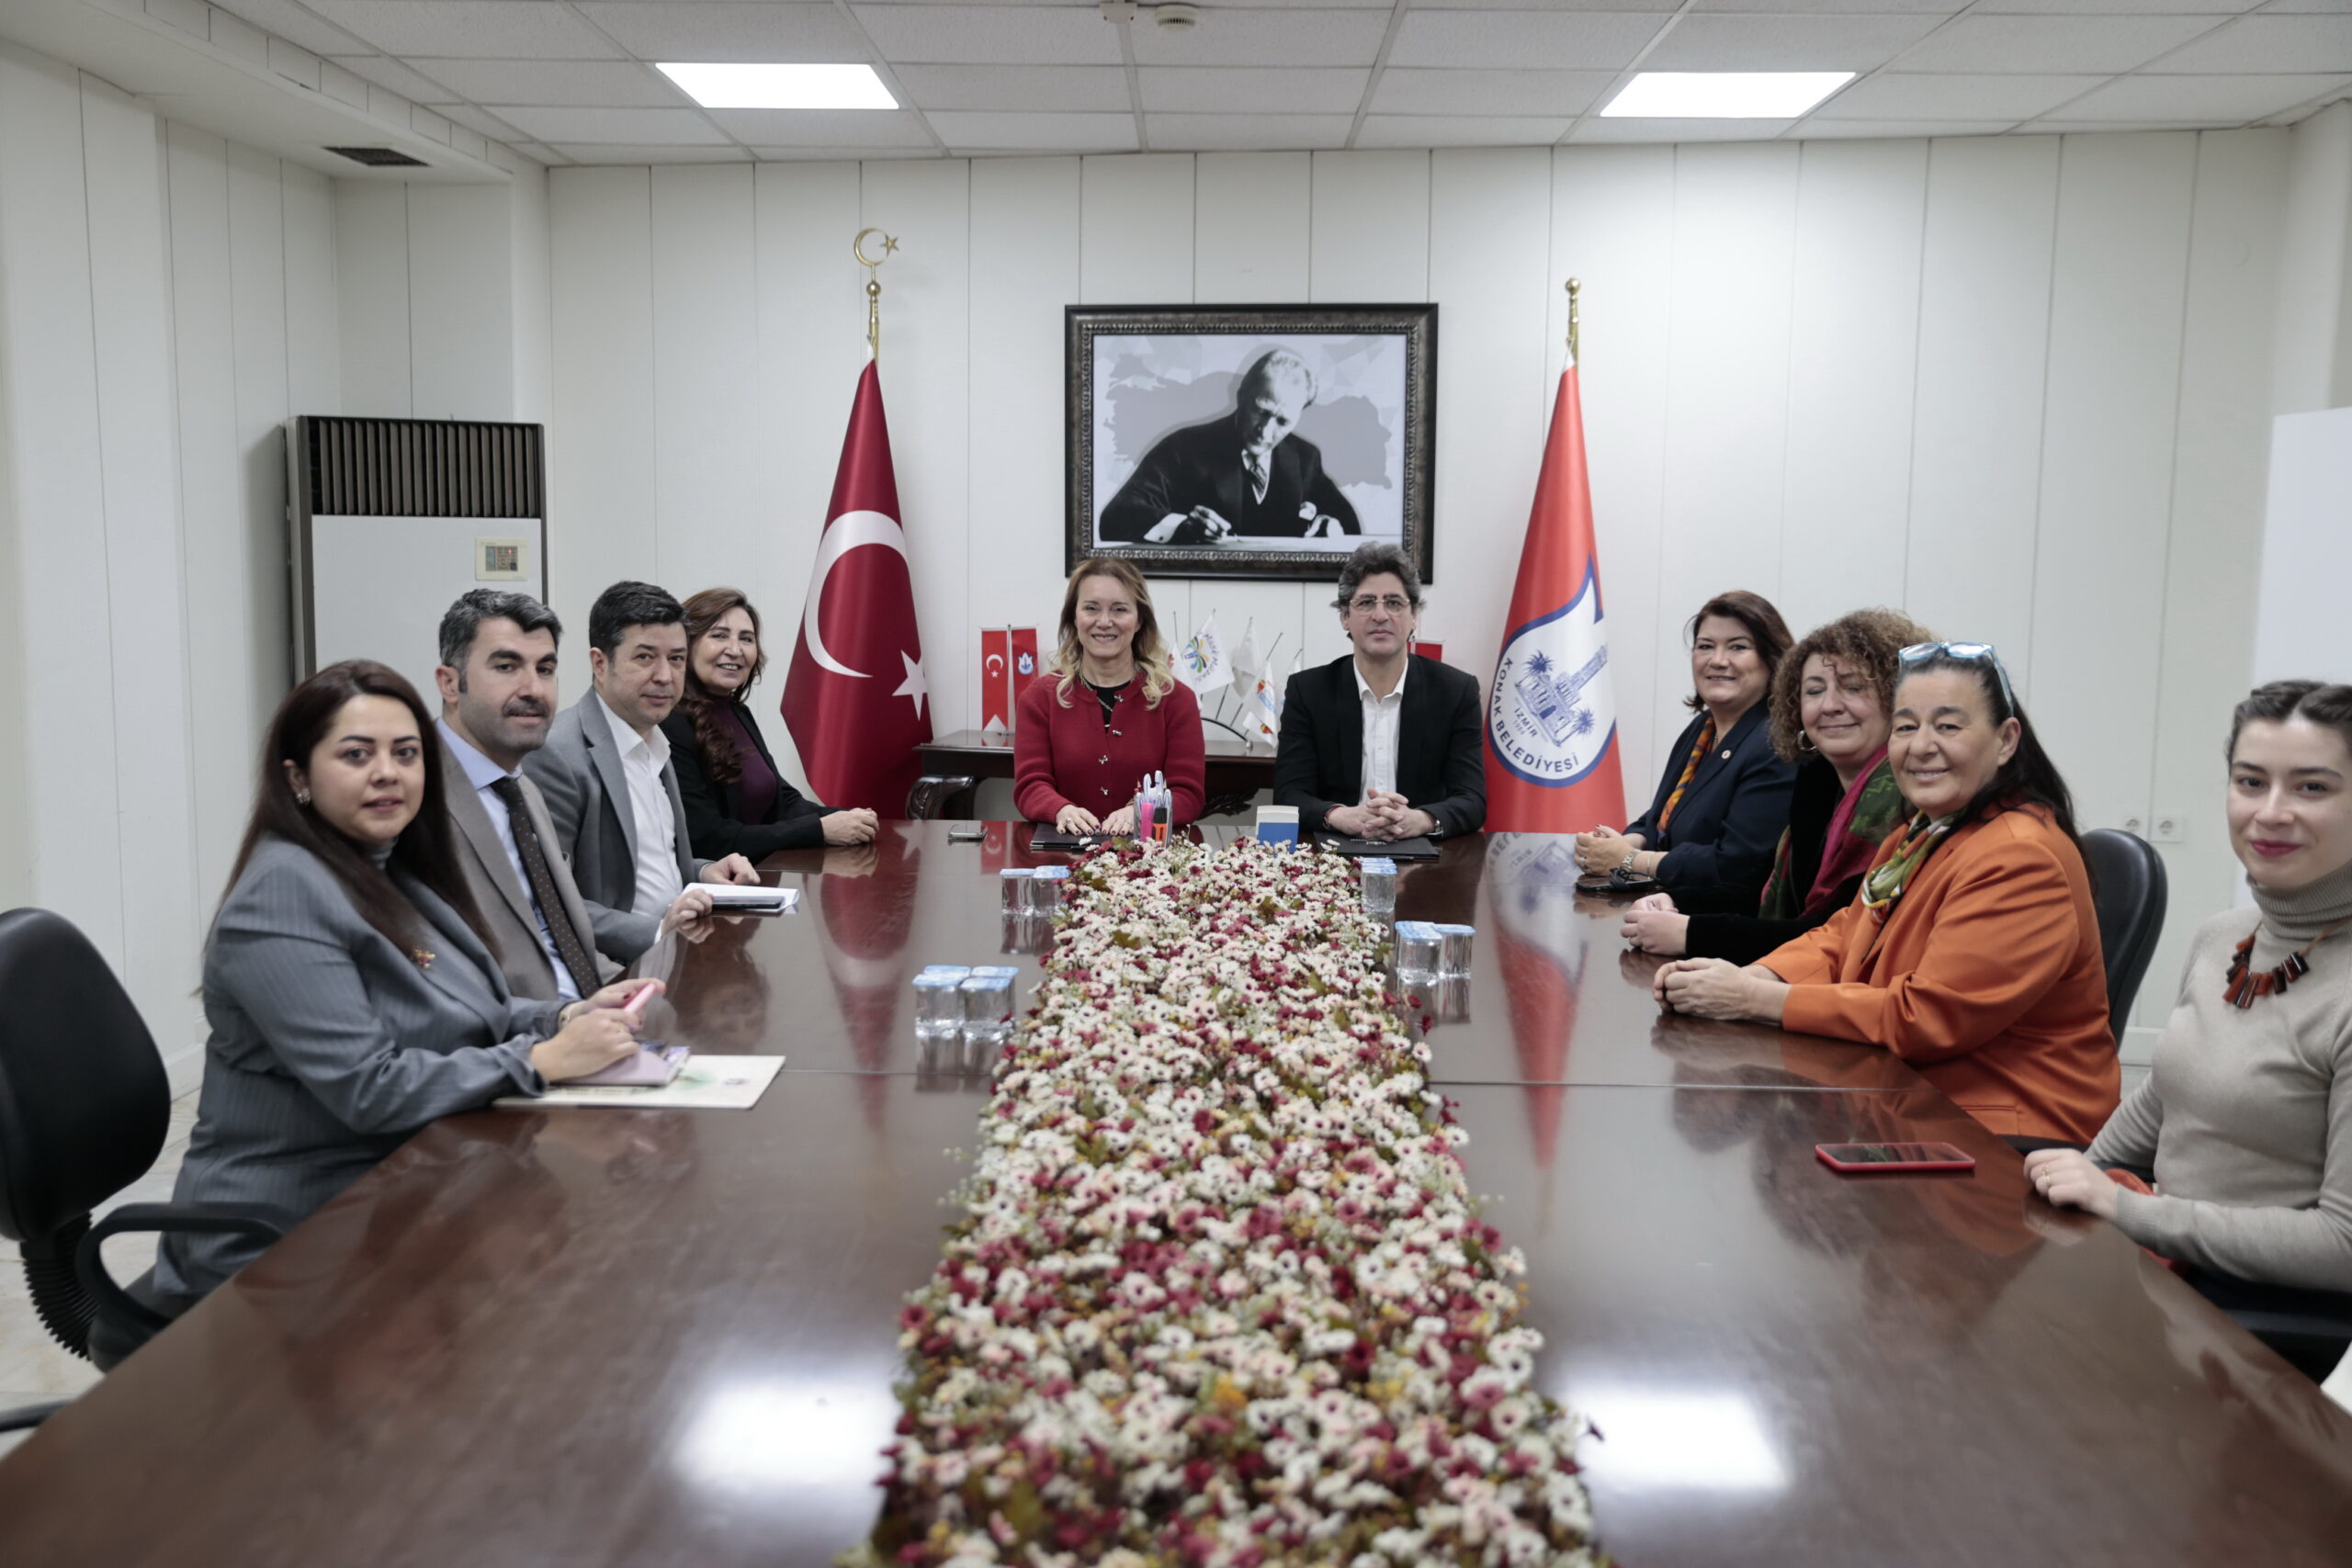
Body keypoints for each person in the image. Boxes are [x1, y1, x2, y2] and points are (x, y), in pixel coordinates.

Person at [151, 660, 658, 1305]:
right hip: (286, 1233)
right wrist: (542, 1060)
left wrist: (562, 1016)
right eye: (357, 754)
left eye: (407, 753)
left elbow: (478, 1008)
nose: (388, 772)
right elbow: (370, 1088)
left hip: (398, 1182)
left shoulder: (393, 869)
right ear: (297, 776)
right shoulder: (281, 893)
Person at [1653, 641, 2120, 1148]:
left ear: (2006, 741)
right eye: (1906, 726)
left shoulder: (2019, 857)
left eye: (1948, 726)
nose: (1920, 746)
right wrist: (1751, 976)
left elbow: (1927, 1018)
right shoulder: (1921, 831)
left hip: (2001, 1129)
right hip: (1910, 1094)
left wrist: (1755, 999)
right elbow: (1841, 934)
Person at [2028, 682, 2352, 1374]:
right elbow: (2166, 1092)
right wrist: (2080, 1174)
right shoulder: (2224, 936)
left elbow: (2342, 1243)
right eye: (2250, 781)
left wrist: (2126, 1209)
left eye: (2313, 787)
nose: (2271, 812)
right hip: (2166, 1271)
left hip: (2254, 1321)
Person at [434, 589, 717, 1004]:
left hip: (603, 995)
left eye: (545, 668)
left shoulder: (517, 787)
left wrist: (623, 992)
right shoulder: (414, 794)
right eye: (507, 666)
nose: (533, 688)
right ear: (449, 683)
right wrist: (570, 1017)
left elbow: (556, 926)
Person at [1622, 608, 1928, 964]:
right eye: (1814, 691)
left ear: (1897, 698)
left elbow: (1843, 934)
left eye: (1853, 687)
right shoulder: (1818, 778)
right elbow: (1759, 886)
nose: (1829, 706)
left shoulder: (1909, 795)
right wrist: (1676, 903)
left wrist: (1693, 933)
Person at [522, 581, 760, 964]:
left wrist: (706, 871)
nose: (665, 676)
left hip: (681, 954)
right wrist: (655, 933)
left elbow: (658, 863)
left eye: (677, 659)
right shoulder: (558, 753)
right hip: (615, 973)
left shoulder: (655, 738)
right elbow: (547, 904)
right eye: (646, 658)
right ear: (600, 663)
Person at [1575, 591, 1798, 905]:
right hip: (1664, 912)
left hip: (1722, 932)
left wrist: (1627, 859)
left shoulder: (1775, 743)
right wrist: (1617, 844)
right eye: (1705, 646)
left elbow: (1736, 865)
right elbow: (1665, 818)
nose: (1717, 660)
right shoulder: (1704, 728)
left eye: (1738, 647)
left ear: (1772, 658)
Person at [1273, 542, 1484, 842]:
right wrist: (1341, 815)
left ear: (1414, 617)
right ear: (1345, 616)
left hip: (1427, 859)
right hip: (1332, 858)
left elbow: (1472, 799)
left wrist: (1420, 820)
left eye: (1395, 603)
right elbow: (1289, 794)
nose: (1380, 615)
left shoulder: (1455, 692)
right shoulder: (1308, 692)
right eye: (1366, 602)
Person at [663, 586, 879, 861]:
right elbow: (709, 838)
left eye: (746, 639)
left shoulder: (737, 712)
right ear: (686, 645)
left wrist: (845, 818)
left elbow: (782, 800)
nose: (735, 650)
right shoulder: (670, 724)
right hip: (714, 890)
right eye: (719, 636)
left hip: (764, 877)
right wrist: (819, 829)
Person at [1013, 557, 1205, 832]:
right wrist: (1060, 809)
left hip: (1150, 858)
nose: (1104, 622)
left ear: (1139, 621)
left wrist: (1143, 811)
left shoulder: (1176, 700)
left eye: (1119, 609)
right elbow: (1030, 785)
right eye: (1091, 608)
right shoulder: (1039, 698)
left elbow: (1188, 793)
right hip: (1063, 853)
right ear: (1073, 618)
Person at [1096, 349, 1359, 545]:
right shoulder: (1183, 448)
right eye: (1261, 411)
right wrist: (1181, 526)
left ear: (1300, 415)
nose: (1266, 431)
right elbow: (1116, 517)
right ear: (1241, 395)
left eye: (1282, 421)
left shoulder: (1305, 457)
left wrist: (1331, 527)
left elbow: (1350, 525)